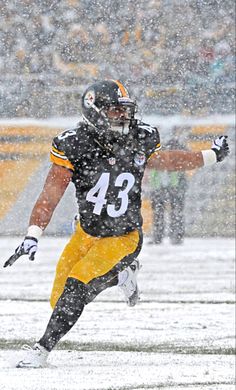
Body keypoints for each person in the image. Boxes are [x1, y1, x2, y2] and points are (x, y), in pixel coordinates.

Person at [3, 79, 229, 368]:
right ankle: (121, 276)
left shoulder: (140, 137)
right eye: (115, 111)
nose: (124, 117)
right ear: (94, 111)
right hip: (86, 234)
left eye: (125, 111)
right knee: (59, 299)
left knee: (77, 287)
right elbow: (51, 193)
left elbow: (168, 160)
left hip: (124, 236)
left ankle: (41, 350)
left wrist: (212, 156)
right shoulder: (74, 143)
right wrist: (33, 234)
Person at [148, 137, 188, 245]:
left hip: (171, 188)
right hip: (162, 188)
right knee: (163, 214)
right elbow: (154, 175)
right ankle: (162, 237)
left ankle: (173, 237)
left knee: (173, 214)